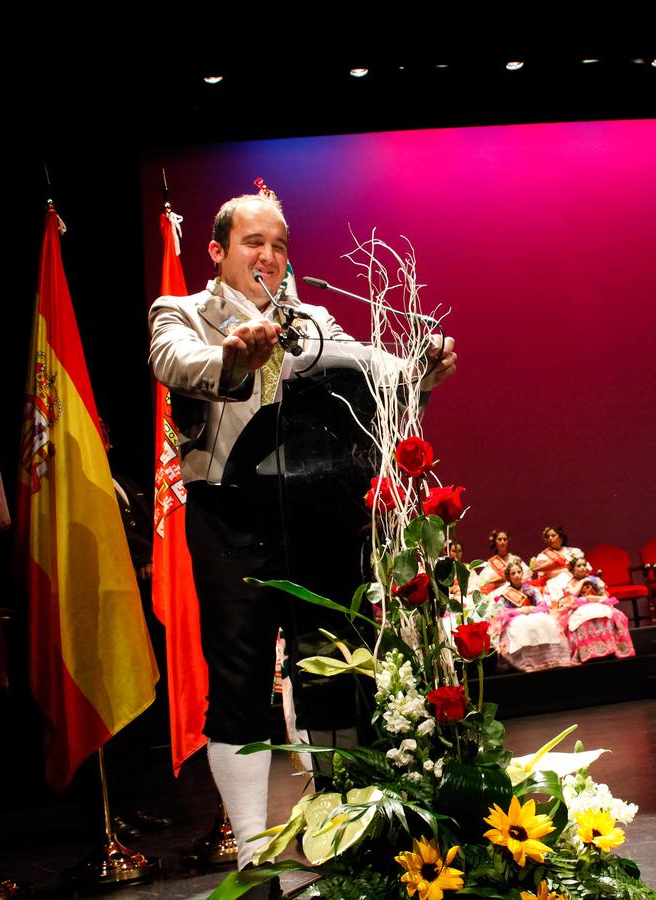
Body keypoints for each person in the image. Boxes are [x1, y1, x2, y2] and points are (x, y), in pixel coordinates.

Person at [147, 188, 456, 875]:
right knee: (239, 676)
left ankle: (336, 827)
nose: (269, 256)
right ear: (218, 251)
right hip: (229, 517)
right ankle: (254, 849)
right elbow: (175, 362)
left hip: (314, 514)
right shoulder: (183, 313)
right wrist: (235, 356)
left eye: (280, 245)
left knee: (328, 665)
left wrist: (418, 371)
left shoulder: (309, 319)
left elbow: (376, 370)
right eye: (254, 243)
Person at [488, 561, 574, 672]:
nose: (517, 575)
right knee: (520, 625)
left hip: (533, 614)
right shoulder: (505, 594)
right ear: (508, 577)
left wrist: (532, 609)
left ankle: (548, 657)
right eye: (513, 573)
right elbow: (502, 612)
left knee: (546, 621)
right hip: (515, 619)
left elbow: (542, 604)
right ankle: (524, 661)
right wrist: (520, 610)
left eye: (519, 572)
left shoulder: (530, 589)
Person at [556, 556, 636, 663]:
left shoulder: (596, 580)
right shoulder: (570, 584)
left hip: (598, 604)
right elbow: (573, 596)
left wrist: (594, 598)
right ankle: (589, 651)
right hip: (579, 607)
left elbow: (604, 596)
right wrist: (583, 581)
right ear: (572, 569)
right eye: (578, 566)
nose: (582, 568)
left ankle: (611, 647)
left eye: (584, 565)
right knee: (582, 620)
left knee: (617, 616)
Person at [528, 525, 583, 601]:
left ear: (561, 538)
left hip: (575, 582)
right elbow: (543, 577)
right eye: (548, 537)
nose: (550, 538)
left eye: (553, 535)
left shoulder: (574, 552)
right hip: (553, 584)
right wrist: (564, 571)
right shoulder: (543, 556)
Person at [469, 529, 526, 597]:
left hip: (516, 590)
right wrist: (498, 579)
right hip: (497, 591)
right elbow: (484, 580)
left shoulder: (515, 559)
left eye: (505, 539)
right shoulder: (492, 563)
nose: (502, 542)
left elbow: (527, 574)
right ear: (495, 541)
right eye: (499, 539)